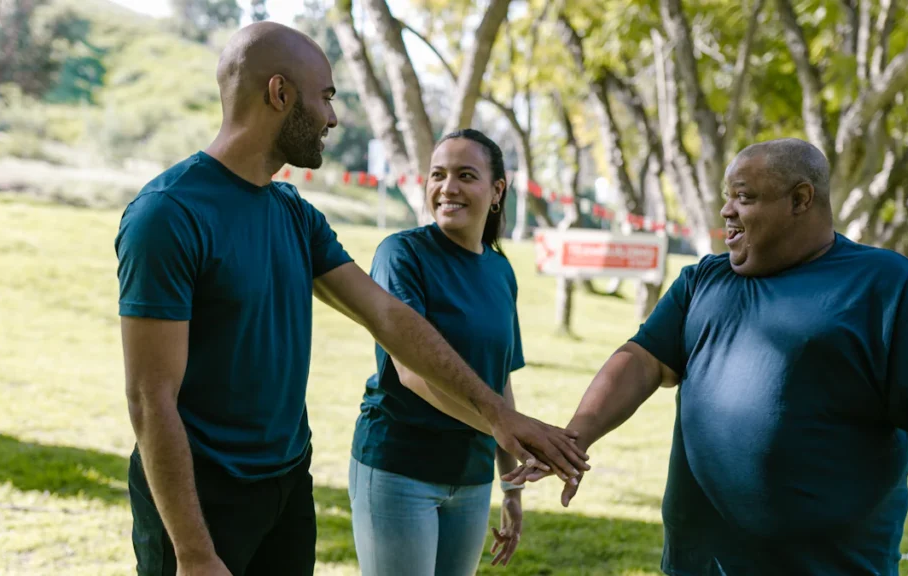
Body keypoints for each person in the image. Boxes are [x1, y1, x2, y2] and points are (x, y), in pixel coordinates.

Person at [115, 22, 588, 576]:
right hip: (200, 500)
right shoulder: (169, 215)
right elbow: (150, 400)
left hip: (287, 485)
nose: (333, 117)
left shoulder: (293, 213)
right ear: (280, 94)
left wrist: (496, 414)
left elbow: (388, 316)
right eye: (327, 96)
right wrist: (194, 553)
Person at [505, 138, 908, 575]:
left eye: (744, 197)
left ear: (800, 199)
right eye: (727, 197)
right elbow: (642, 360)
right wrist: (576, 436)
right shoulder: (703, 281)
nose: (726, 211)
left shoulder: (890, 287)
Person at [349, 129, 532, 575]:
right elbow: (413, 373)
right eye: (438, 175)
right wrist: (505, 428)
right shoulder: (401, 255)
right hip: (399, 469)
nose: (447, 187)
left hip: (470, 479)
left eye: (465, 175)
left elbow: (500, 378)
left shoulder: (500, 270)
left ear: (496, 191)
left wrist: (510, 488)